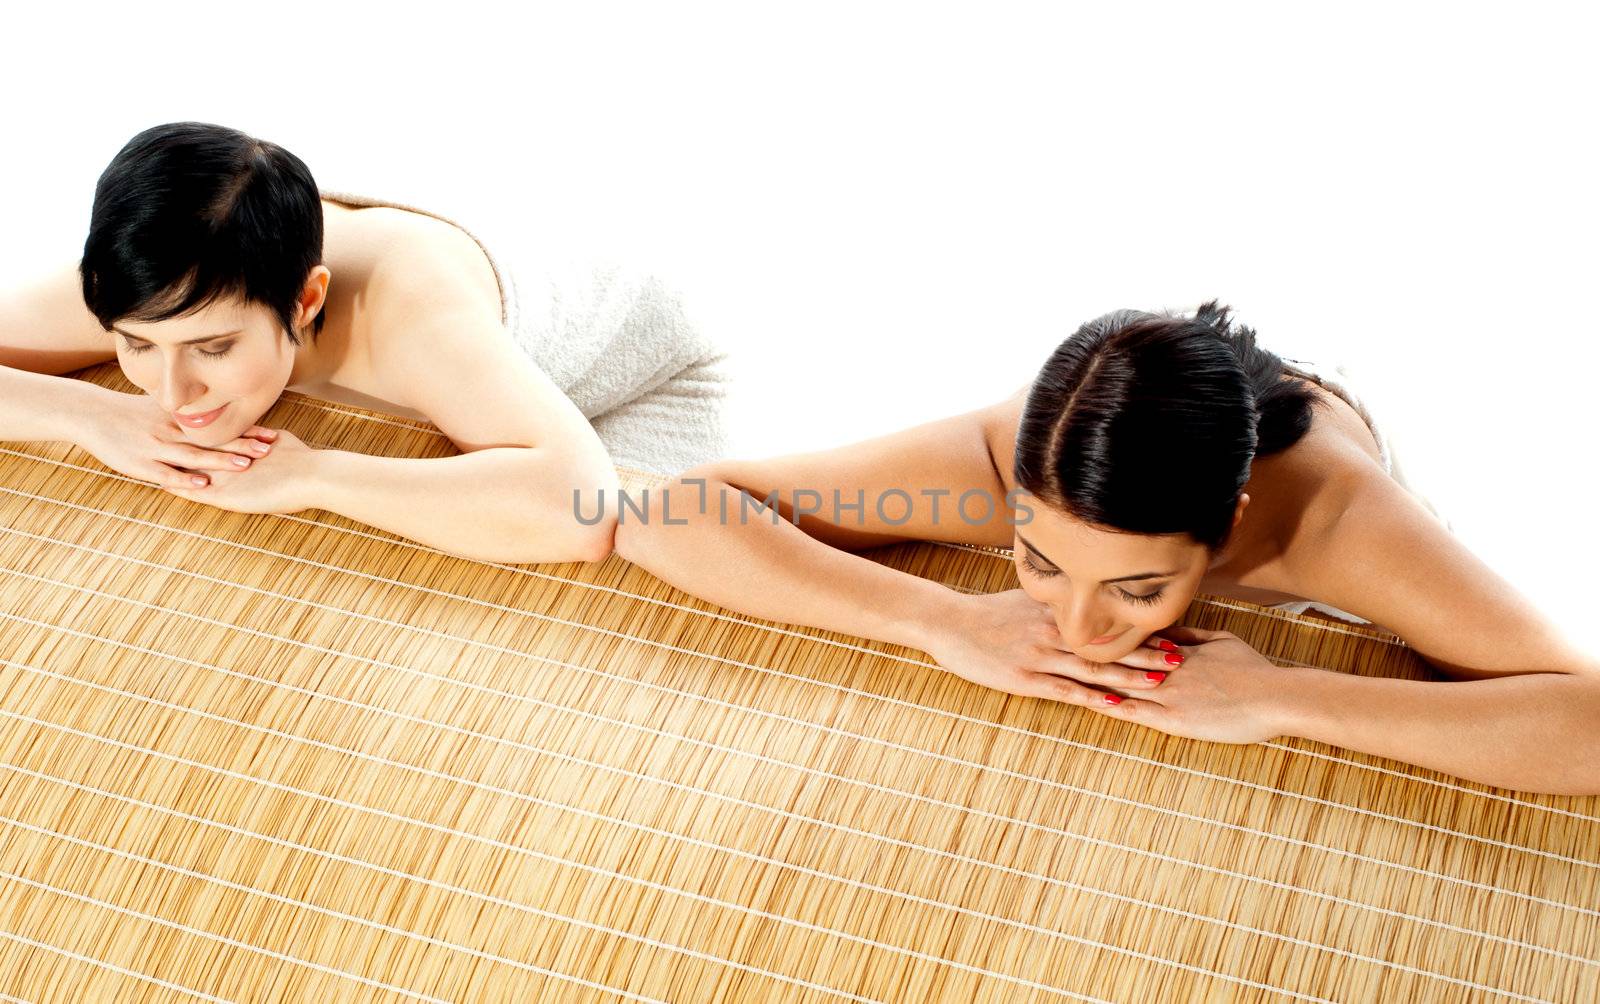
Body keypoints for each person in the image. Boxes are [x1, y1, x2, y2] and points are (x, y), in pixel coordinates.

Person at [615, 302, 1600, 795]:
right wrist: (936, 616)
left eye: (1134, 588)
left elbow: (1584, 717)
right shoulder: (997, 466)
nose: (1078, 628)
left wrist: (1278, 696)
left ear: (1226, 525)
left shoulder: (1338, 525)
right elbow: (672, 512)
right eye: (1040, 564)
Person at [0, 121, 729, 563]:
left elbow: (582, 506)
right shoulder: (161, 280)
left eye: (213, 349)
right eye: (136, 347)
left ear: (307, 298)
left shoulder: (407, 314)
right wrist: (89, 414)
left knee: (631, 568)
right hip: (486, 357)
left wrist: (315, 477)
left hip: (636, 378)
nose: (169, 392)